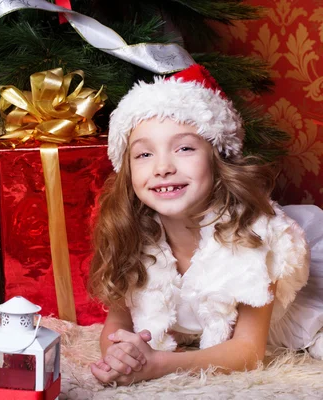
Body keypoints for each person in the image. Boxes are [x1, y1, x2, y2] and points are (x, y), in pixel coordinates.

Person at [88, 64, 323, 386]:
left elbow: (247, 351)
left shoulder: (257, 237)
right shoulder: (129, 232)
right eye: (143, 154)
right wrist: (121, 356)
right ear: (127, 172)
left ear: (217, 160)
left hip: (289, 316)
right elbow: (117, 325)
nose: (163, 167)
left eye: (184, 148)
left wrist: (160, 363)